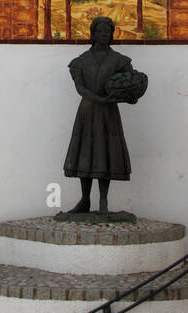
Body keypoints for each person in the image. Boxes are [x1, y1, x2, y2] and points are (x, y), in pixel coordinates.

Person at [59, 15, 138, 221]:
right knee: (85, 152)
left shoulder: (120, 61)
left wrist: (130, 96)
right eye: (100, 31)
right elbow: (80, 87)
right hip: (88, 110)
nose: (104, 35)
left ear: (111, 35)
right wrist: (98, 99)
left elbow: (129, 84)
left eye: (107, 32)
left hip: (108, 113)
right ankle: (85, 199)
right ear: (93, 34)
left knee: (105, 154)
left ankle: (103, 201)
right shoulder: (81, 61)